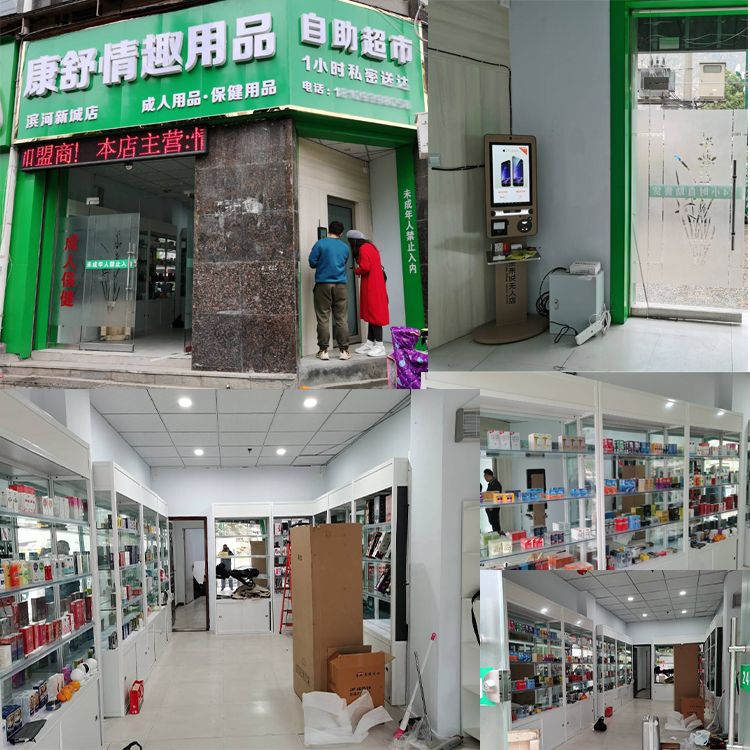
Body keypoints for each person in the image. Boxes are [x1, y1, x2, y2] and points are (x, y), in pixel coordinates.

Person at [309, 221, 351, 361]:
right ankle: (344, 351)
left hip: (323, 285)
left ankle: (323, 351)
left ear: (329, 231)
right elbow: (344, 263)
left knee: (323, 317)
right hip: (341, 285)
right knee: (341, 318)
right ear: (341, 233)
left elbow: (312, 262)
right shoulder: (345, 247)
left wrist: (322, 263)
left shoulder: (320, 244)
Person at [346, 230, 389, 358]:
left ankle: (380, 346)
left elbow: (365, 267)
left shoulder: (363, 248)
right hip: (375, 283)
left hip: (372, 284)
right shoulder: (370, 246)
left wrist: (356, 270)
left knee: (374, 314)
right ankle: (370, 343)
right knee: (372, 314)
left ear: (353, 241)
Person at [483, 469, 503, 534]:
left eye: (485, 476)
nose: (484, 478)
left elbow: (496, 496)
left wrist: (491, 506)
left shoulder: (495, 483)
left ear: (488, 475)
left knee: (495, 523)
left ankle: (497, 534)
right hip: (490, 507)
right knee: (493, 523)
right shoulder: (491, 483)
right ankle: (496, 533)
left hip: (493, 508)